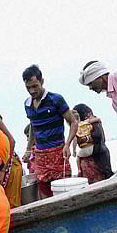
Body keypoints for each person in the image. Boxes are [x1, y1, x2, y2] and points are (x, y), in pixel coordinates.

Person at [22, 65, 78, 198]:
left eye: (35, 86)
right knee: (44, 191)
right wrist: (28, 149)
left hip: (58, 152)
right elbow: (33, 126)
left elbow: (73, 123)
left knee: (63, 190)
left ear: (42, 81)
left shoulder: (55, 99)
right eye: (28, 87)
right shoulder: (27, 104)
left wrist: (67, 144)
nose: (32, 91)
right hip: (40, 155)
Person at [72, 104, 113, 183]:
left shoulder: (80, 126)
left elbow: (75, 141)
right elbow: (102, 138)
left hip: (95, 156)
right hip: (99, 156)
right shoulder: (92, 123)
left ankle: (79, 170)